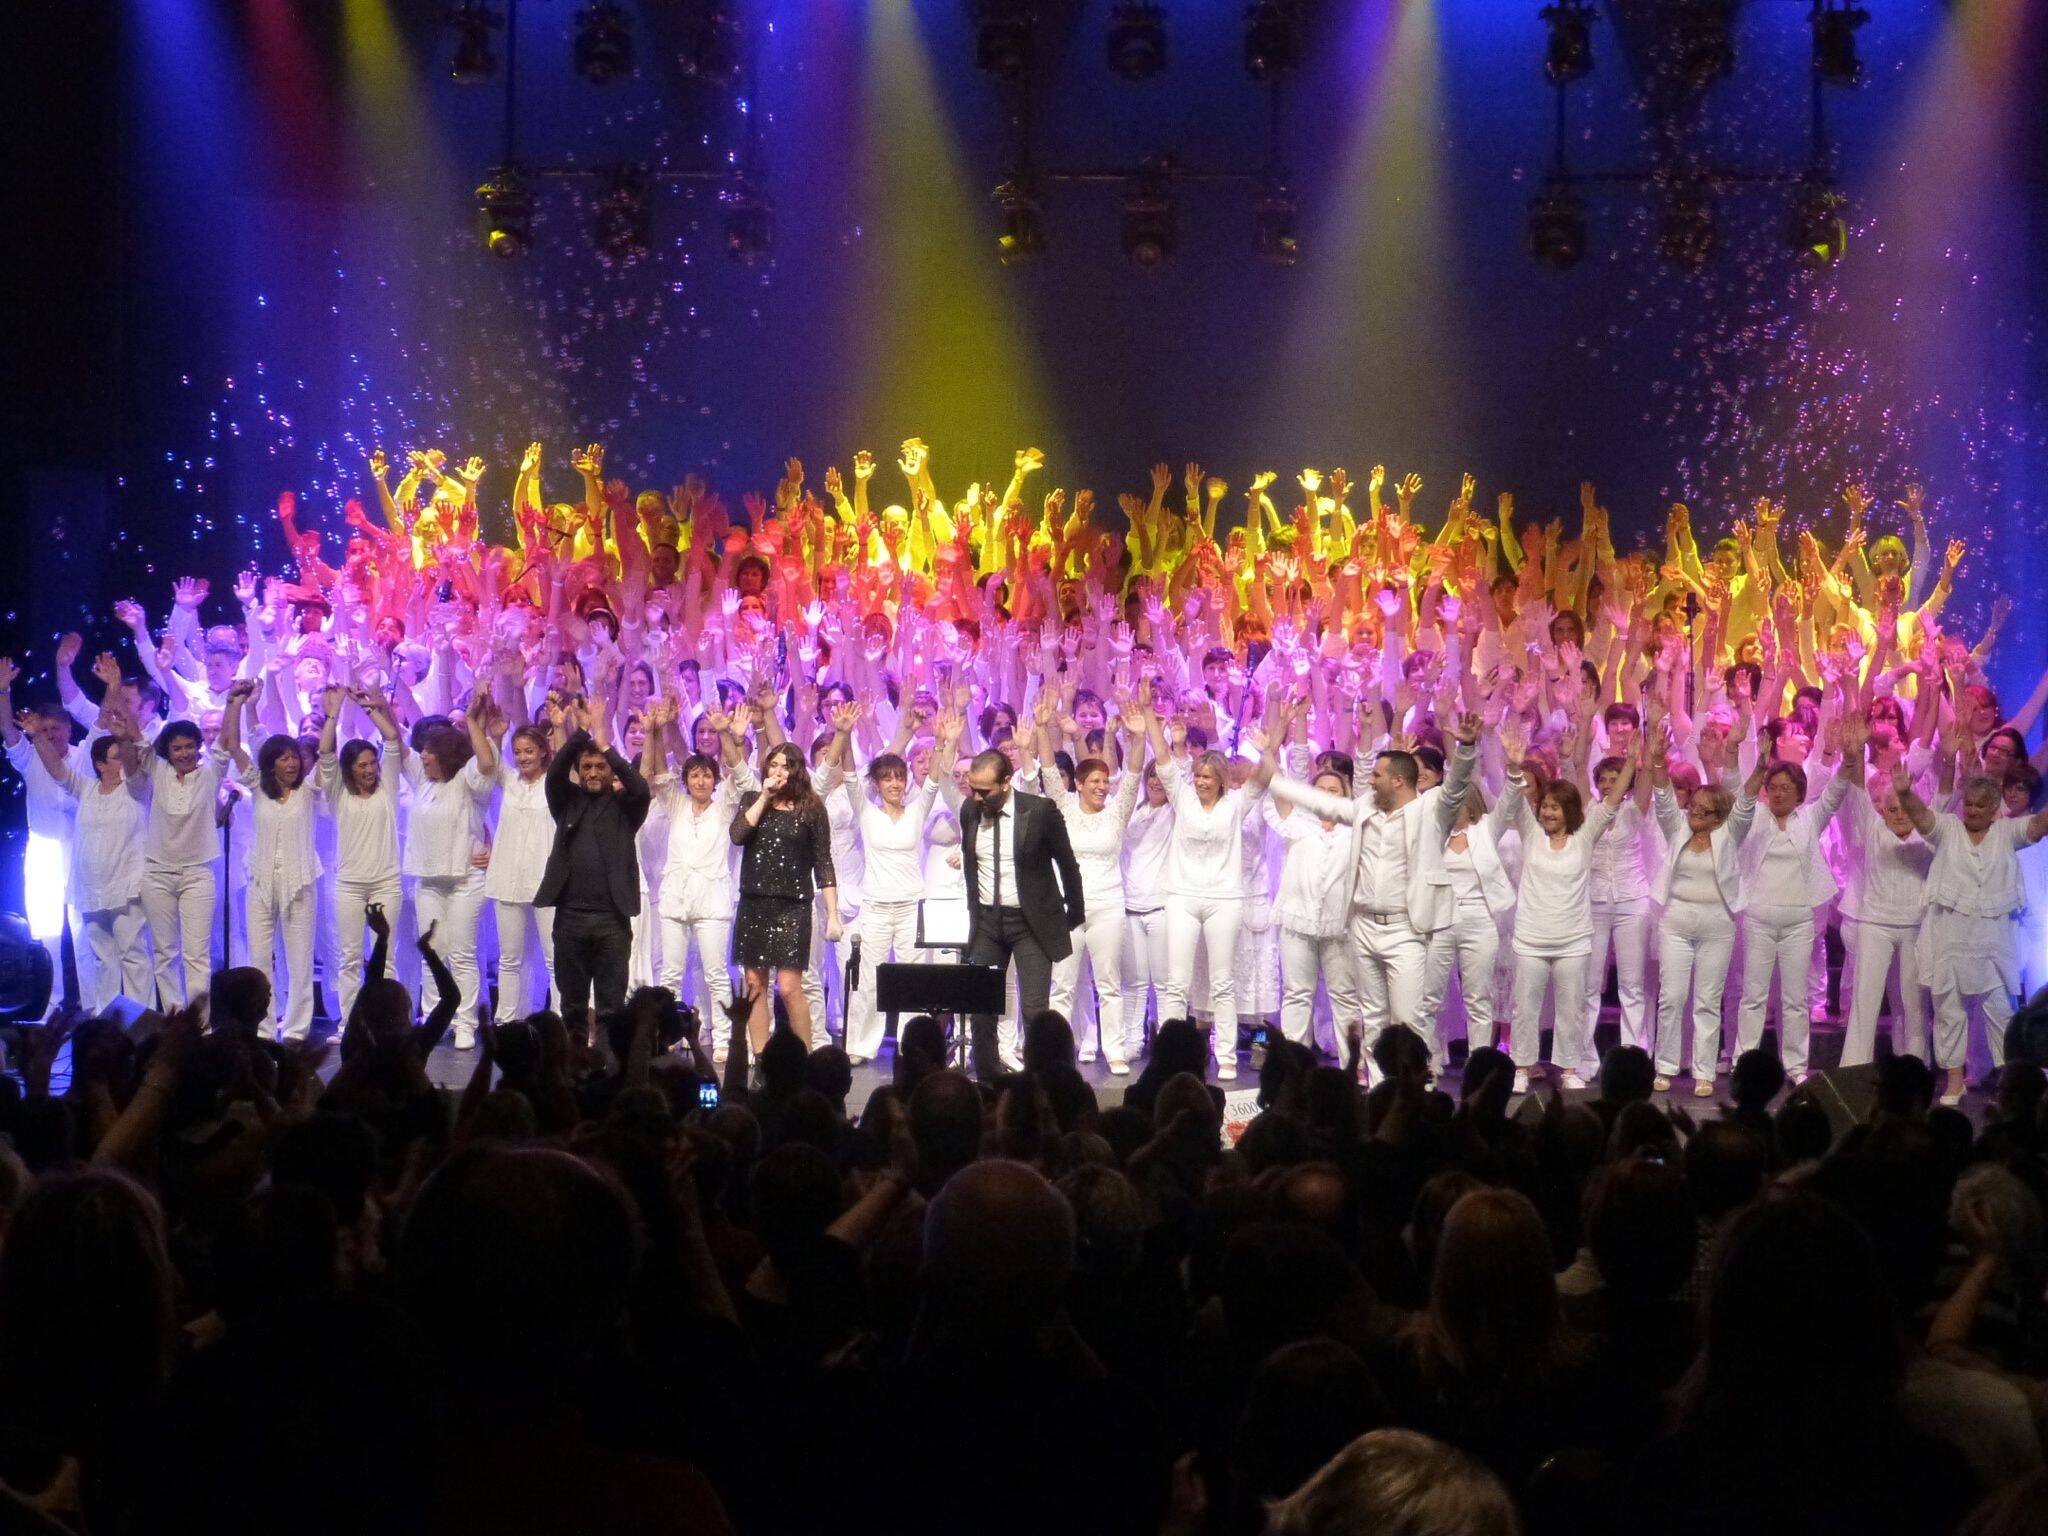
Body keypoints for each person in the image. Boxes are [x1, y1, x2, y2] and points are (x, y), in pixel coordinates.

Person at [1266, 713, 1482, 1080]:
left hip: (1405, 928)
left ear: (1398, 781)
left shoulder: (1430, 811)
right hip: (1364, 925)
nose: (1370, 780)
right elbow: (1322, 802)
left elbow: (1458, 783)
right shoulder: (1365, 808)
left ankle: (1413, 1087)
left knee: (1408, 1018)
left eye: (1377, 775)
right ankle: (1380, 1088)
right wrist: (1272, 778)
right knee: (1373, 1015)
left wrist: (1466, 747)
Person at [1491, 714, 1638, 1092]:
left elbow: (1613, 801)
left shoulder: (1584, 837)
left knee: (1571, 1008)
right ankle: (1522, 1067)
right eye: (1546, 806)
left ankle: (1569, 1068)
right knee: (1525, 1008)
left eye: (1556, 807)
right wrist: (1513, 764)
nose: (1548, 812)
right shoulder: (1531, 833)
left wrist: (1631, 763)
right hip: (1531, 939)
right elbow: (1515, 798)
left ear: (1569, 811)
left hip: (1573, 940)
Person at [1141, 689, 1278, 1081]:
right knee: (1177, 983)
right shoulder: (1182, 797)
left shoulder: (1236, 803)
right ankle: (1171, 1055)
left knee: (1223, 982)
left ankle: (1227, 1055)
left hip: (1225, 900)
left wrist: (1268, 747)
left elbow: (1265, 774)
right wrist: (1149, 711)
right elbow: (1163, 757)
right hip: (1182, 897)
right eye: (1198, 776)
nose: (1201, 782)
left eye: (1207, 777)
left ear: (1221, 781)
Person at [1894, 761, 2048, 1105]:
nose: (1973, 811)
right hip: (1950, 938)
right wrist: (1904, 792)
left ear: (1994, 808)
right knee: (1949, 1011)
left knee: (2001, 1012)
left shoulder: (2007, 833)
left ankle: (2009, 1085)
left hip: (1994, 941)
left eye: (1980, 806)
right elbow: (1922, 818)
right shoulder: (1948, 829)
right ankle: (1954, 1081)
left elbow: (2039, 825)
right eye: (1969, 804)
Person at [938, 737, 1085, 1081]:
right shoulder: (969, 811)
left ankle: (1038, 1082)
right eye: (973, 789)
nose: (976, 797)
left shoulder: (1039, 811)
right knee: (981, 1008)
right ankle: (988, 1080)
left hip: (1029, 923)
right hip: (987, 922)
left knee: (1034, 1010)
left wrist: (1074, 913)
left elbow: (1067, 863)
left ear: (1006, 782)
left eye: (984, 791)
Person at [1648, 720, 1757, 1097]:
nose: (1693, 812)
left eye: (1702, 809)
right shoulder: (1677, 828)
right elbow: (1663, 798)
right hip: (1676, 923)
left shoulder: (1729, 834)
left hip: (1717, 926)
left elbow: (1745, 805)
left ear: (1718, 816)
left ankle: (1704, 1072)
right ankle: (1665, 1065)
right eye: (1693, 806)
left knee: (1707, 1001)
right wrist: (1658, 762)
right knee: (1672, 996)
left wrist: (1758, 767)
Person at [534, 697, 652, 1038]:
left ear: (611, 770)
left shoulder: (626, 806)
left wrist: (604, 744)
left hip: (612, 920)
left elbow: (640, 787)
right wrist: (580, 732)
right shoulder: (566, 801)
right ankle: (571, 1062)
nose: (593, 773)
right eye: (587, 767)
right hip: (570, 919)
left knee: (611, 1007)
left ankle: (608, 1063)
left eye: (600, 766)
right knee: (572, 1006)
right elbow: (555, 773)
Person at [218, 679, 324, 1040]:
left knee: (299, 961)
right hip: (261, 882)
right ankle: (262, 1028)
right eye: (284, 757)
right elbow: (234, 745)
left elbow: (326, 753)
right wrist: (239, 704)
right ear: (271, 763)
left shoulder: (308, 790)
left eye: (295, 756)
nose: (292, 762)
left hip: (300, 882)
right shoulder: (257, 786)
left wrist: (332, 715)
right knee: (260, 960)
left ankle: (295, 1029)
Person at [730, 739, 841, 1052]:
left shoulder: (811, 808)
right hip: (754, 904)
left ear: (797, 771)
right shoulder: (752, 799)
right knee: (755, 985)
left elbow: (823, 862)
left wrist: (833, 915)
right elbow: (738, 835)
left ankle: (804, 1059)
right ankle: (761, 1059)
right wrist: (764, 797)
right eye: (774, 765)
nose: (778, 772)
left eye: (785, 766)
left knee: (790, 987)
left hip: (793, 907)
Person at [483, 708, 558, 1020]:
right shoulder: (510, 780)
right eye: (517, 752)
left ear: (542, 751)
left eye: (529, 750)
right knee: (510, 958)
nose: (523, 757)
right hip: (509, 878)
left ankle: (559, 1020)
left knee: (554, 957)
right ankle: (508, 1020)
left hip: (546, 880)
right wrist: (497, 736)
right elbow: (491, 763)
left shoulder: (553, 783)